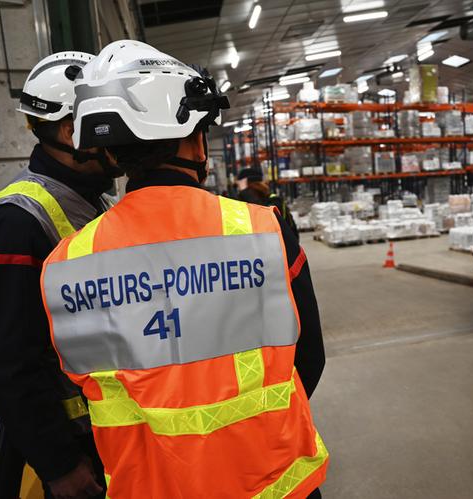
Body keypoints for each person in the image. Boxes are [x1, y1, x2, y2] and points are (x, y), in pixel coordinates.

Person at [39, 40, 328, 499]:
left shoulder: (66, 263)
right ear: (192, 137)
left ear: (111, 153)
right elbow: (309, 358)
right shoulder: (262, 229)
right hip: (272, 482)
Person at [0, 52, 120, 498]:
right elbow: (8, 359)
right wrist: (60, 465)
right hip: (68, 450)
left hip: (109, 436)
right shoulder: (16, 220)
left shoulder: (97, 202)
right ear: (71, 131)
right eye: (110, 121)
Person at [237, 167, 299, 238]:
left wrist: (245, 192)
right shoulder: (246, 201)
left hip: (281, 246)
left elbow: (263, 217)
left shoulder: (274, 201)